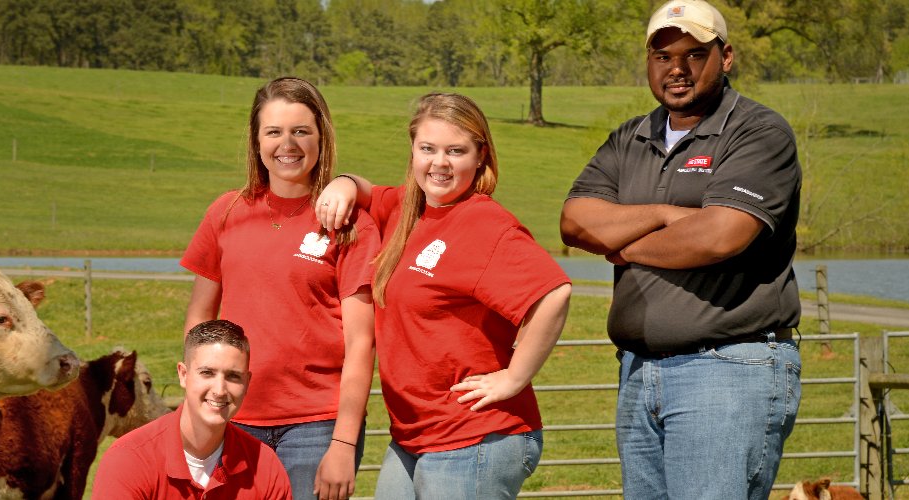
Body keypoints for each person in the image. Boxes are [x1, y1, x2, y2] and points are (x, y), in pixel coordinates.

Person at [558, 1, 803, 499]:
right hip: (639, 369)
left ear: (725, 56)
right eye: (662, 55)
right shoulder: (631, 136)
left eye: (694, 54)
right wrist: (665, 215)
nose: (676, 69)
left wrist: (624, 247)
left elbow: (720, 237)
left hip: (728, 367)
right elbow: (575, 222)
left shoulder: (758, 131)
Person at [315, 93, 572, 498]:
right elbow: (367, 192)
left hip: (475, 435)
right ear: (413, 150)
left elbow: (553, 293)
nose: (439, 163)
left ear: (480, 155)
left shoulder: (484, 222)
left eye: (456, 151)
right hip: (413, 436)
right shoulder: (408, 207)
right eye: (428, 149)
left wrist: (514, 377)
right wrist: (343, 184)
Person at [181, 77, 382, 500]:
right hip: (230, 415)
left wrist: (343, 443)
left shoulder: (351, 225)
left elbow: (361, 342)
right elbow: (200, 319)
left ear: (320, 138)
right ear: (256, 141)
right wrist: (198, 405)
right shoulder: (226, 212)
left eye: (300, 131)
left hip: (317, 426)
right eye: (273, 131)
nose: (286, 144)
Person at [91, 320, 292, 499]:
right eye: (207, 373)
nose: (220, 390)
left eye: (233, 376)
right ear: (183, 374)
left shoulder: (264, 466)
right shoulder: (128, 460)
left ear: (247, 382)